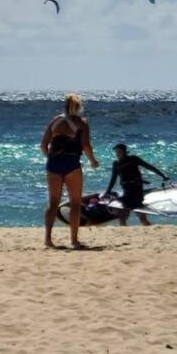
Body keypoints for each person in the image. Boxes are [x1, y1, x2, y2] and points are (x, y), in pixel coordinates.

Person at [40, 93, 99, 249]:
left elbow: (43, 145)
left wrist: (51, 158)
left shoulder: (54, 121)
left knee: (53, 203)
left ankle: (48, 239)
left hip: (53, 165)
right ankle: (74, 240)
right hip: (71, 164)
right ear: (79, 107)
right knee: (75, 203)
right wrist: (93, 161)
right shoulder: (82, 123)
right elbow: (86, 146)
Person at [103, 143, 168, 226]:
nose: (117, 154)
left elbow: (149, 167)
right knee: (122, 215)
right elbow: (113, 179)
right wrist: (107, 191)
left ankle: (147, 227)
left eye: (119, 152)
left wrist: (162, 175)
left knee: (139, 213)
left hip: (136, 189)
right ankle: (124, 232)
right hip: (126, 190)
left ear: (125, 152)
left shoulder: (133, 159)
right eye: (116, 152)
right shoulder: (116, 163)